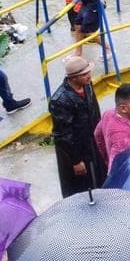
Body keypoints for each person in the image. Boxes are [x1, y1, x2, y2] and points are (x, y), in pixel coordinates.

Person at [50, 55, 104, 196]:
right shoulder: (60, 100)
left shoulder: (87, 85)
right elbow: (62, 134)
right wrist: (76, 160)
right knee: (82, 185)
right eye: (84, 74)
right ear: (73, 78)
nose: (89, 76)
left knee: (99, 175)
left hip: (92, 140)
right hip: (76, 147)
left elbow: (94, 109)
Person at [94, 83, 130, 170]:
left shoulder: (109, 113)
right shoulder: (121, 137)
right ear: (123, 108)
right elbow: (117, 171)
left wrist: (106, 157)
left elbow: (97, 135)